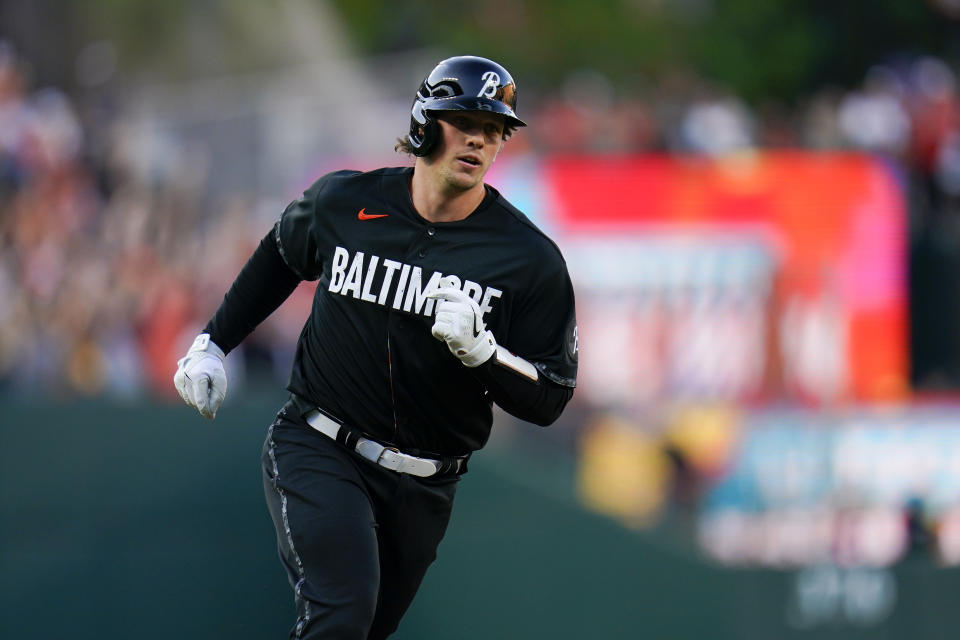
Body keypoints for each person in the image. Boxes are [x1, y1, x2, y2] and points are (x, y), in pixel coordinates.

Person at [174, 54, 578, 640]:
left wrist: (484, 355)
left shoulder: (529, 260)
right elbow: (281, 257)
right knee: (341, 616)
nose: (478, 141)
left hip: (425, 484)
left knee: (359, 629)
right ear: (425, 122)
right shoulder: (345, 202)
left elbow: (552, 396)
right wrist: (213, 343)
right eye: (464, 121)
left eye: (493, 130)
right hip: (319, 442)